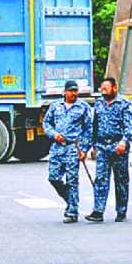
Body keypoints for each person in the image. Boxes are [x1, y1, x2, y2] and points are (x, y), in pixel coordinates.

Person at [85, 77, 132, 223]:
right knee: (100, 179)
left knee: (121, 180)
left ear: (114, 88)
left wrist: (124, 142)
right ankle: (98, 211)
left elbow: (129, 126)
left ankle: (121, 211)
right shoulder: (99, 103)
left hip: (118, 147)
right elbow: (94, 126)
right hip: (102, 147)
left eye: (106, 89)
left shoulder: (124, 104)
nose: (103, 92)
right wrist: (92, 146)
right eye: (102, 89)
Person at [43, 80, 92, 223]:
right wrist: (53, 134)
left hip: (73, 147)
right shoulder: (55, 106)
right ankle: (70, 200)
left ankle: (72, 211)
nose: (74, 93)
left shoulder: (83, 107)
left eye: (76, 91)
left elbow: (88, 129)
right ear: (64, 92)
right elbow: (46, 123)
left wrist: (84, 149)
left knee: (72, 180)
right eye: (71, 91)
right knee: (53, 178)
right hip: (57, 147)